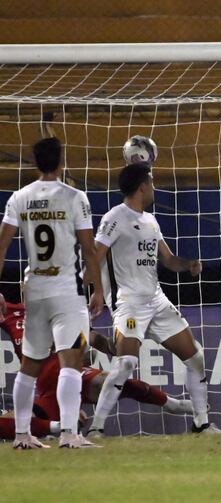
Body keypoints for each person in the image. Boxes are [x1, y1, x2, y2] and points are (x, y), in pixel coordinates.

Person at [86, 162, 219, 436]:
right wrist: (98, 291)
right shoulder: (115, 217)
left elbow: (168, 260)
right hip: (129, 304)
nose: (155, 187)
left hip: (156, 302)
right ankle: (96, 428)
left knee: (196, 357)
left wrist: (189, 265)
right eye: (152, 182)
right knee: (126, 364)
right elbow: (94, 257)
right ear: (142, 186)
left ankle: (201, 423)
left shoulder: (150, 220)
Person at [0, 137, 104, 449]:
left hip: (34, 290)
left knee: (30, 364)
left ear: (34, 163)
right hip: (66, 292)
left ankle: (21, 435)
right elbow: (88, 248)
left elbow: (2, 244)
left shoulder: (19, 197)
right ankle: (70, 434)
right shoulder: (75, 197)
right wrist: (97, 288)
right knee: (71, 360)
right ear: (61, 162)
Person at [0, 300, 192, 439]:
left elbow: (90, 338)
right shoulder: (10, 311)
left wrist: (116, 345)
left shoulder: (63, 312)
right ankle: (59, 427)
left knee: (112, 381)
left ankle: (172, 404)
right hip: (45, 387)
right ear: (23, 287)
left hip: (75, 375)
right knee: (15, 423)